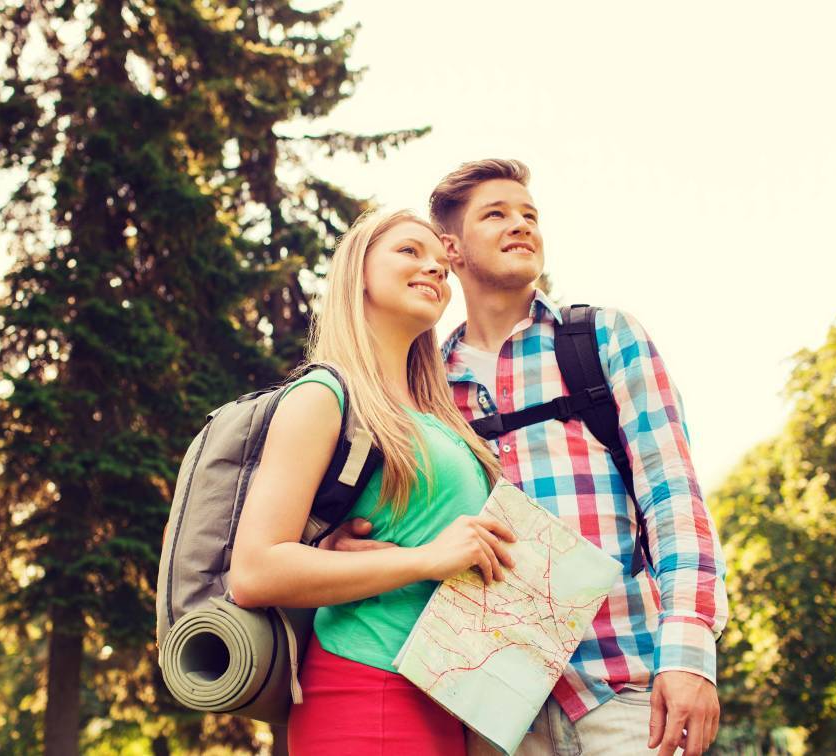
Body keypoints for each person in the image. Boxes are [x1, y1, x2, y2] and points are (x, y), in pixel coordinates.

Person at [335, 160, 729, 756]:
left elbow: (673, 496)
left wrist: (690, 652)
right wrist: (351, 548)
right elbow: (405, 521)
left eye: (529, 214)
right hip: (493, 706)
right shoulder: (429, 386)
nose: (521, 225)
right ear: (452, 249)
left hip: (627, 686)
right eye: (495, 214)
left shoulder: (602, 338)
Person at [227, 209, 516, 756]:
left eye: (442, 265)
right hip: (370, 692)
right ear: (359, 270)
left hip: (446, 695)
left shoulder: (437, 416)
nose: (435, 268)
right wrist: (427, 559)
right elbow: (255, 571)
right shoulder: (323, 395)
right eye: (409, 252)